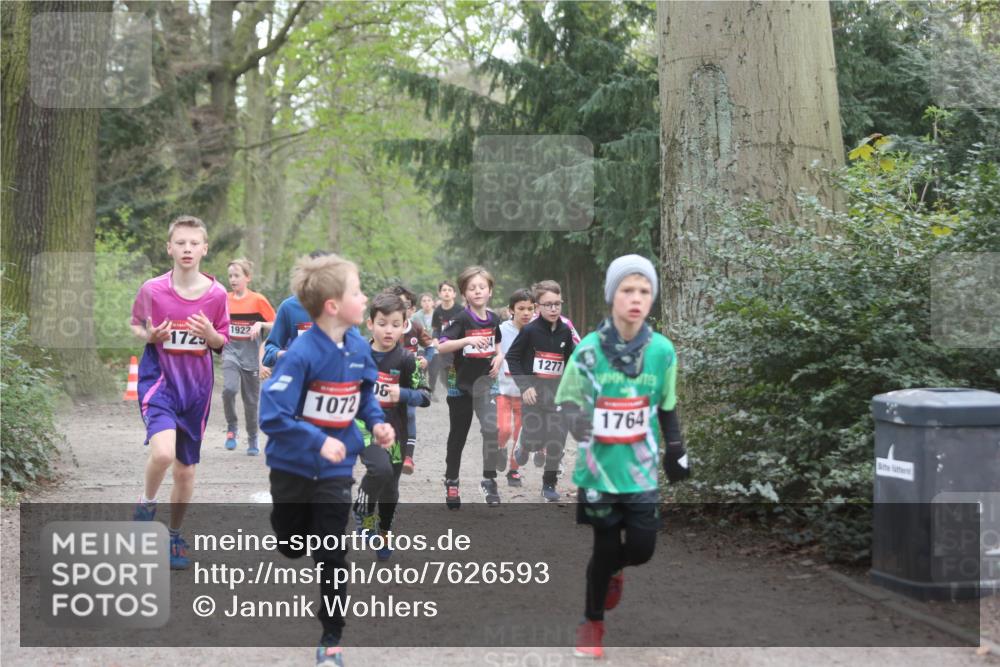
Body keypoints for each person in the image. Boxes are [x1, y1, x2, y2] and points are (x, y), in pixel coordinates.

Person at [259, 253, 394, 667]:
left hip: (336, 469)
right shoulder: (300, 354)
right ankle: (291, 534)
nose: (365, 297)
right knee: (291, 545)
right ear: (333, 305)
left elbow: (364, 393)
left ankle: (331, 636)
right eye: (357, 292)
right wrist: (317, 440)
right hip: (292, 467)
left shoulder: (357, 346)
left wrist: (377, 422)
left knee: (332, 553)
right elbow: (272, 415)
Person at [554, 255, 691, 659]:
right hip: (598, 472)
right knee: (604, 547)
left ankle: (617, 568)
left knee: (643, 548)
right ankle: (591, 624)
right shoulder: (589, 351)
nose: (636, 298)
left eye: (644, 291)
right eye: (628, 290)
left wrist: (676, 448)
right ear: (612, 295)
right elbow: (567, 401)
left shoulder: (662, 351)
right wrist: (578, 423)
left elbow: (667, 405)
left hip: (641, 471)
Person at [129, 215, 230, 570]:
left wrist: (210, 335)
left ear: (205, 249)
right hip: (159, 383)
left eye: (194, 243)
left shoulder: (217, 294)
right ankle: (146, 504)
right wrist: (150, 336)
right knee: (162, 454)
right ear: (169, 248)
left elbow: (223, 342)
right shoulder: (152, 289)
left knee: (185, 473)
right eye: (181, 243)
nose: (187, 249)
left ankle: (173, 535)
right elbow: (137, 325)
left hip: (196, 391)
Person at [353, 292, 431, 560]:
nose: (389, 330)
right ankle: (363, 513)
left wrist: (403, 394)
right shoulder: (357, 355)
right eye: (383, 323)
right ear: (370, 324)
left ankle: (384, 530)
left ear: (404, 326)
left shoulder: (407, 360)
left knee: (390, 486)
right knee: (380, 469)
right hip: (364, 429)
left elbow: (425, 395)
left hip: (396, 430)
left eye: (396, 324)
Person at [437, 267, 504, 507]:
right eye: (472, 288)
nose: (477, 291)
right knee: (458, 435)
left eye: (482, 287)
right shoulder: (461, 319)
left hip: (485, 384)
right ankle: (452, 481)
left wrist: (499, 357)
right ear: (464, 293)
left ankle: (489, 480)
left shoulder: (494, 319)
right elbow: (442, 346)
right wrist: (466, 340)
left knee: (492, 429)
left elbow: (498, 344)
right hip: (460, 386)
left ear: (490, 291)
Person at [506, 280, 576, 502]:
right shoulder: (529, 331)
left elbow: (571, 361)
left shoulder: (565, 331)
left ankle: (549, 485)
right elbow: (512, 357)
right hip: (533, 396)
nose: (553, 309)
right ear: (538, 307)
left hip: (558, 396)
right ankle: (524, 444)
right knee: (535, 441)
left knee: (556, 439)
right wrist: (525, 386)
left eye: (557, 304)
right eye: (548, 305)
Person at [222, 258, 275, 455]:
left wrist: (260, 324)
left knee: (251, 402)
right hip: (230, 353)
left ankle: (252, 437)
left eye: (237, 275)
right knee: (229, 389)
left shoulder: (258, 300)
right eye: (230, 276)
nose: (233, 280)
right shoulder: (224, 299)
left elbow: (277, 324)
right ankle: (232, 427)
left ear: (247, 278)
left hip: (252, 357)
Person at [385, 285, 436, 474]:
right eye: (396, 304)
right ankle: (392, 455)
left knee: (410, 414)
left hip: (411, 379)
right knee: (390, 417)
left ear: (412, 309)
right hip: (388, 380)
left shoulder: (415, 327)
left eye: (405, 305)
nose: (400, 308)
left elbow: (430, 347)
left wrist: (426, 359)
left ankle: (408, 457)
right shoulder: (385, 328)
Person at [262, 249, 329, 368]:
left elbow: (354, 348)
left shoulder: (342, 307)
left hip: (331, 377)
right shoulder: (289, 307)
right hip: (299, 374)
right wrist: (282, 354)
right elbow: (269, 352)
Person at [495, 288, 535, 486]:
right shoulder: (501, 330)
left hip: (525, 393)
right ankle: (500, 448)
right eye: (521, 308)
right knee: (504, 429)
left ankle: (513, 471)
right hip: (503, 390)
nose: (526, 313)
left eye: (530, 308)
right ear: (511, 310)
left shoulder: (537, 332)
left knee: (520, 435)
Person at [429, 280, 463, 395]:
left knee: (458, 373)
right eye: (444, 290)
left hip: (458, 347)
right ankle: (452, 391)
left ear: (454, 294)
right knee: (445, 377)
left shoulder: (460, 310)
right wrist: (435, 339)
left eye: (449, 290)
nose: (447, 292)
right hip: (444, 347)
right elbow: (436, 330)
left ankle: (458, 393)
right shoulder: (437, 311)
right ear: (439, 294)